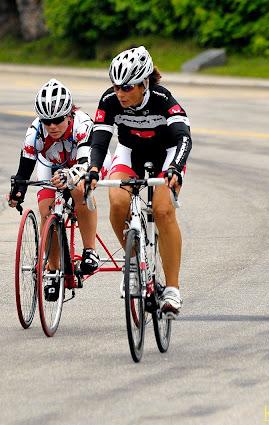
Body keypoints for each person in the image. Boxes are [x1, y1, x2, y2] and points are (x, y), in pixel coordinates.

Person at [85, 46, 192, 317]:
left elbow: (184, 138)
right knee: (117, 201)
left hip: (166, 157)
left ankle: (172, 290)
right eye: (116, 86)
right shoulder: (109, 100)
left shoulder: (163, 99)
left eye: (127, 87)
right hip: (131, 152)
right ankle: (133, 265)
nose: (120, 93)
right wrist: (94, 169)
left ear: (144, 83)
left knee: (163, 210)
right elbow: (99, 139)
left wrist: (176, 169)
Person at [8, 78, 111, 283]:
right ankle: (53, 268)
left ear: (70, 113)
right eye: (47, 121)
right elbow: (24, 171)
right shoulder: (35, 132)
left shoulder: (83, 124)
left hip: (86, 162)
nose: (52, 126)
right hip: (52, 164)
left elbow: (84, 163)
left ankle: (90, 251)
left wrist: (70, 176)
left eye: (58, 120)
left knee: (79, 189)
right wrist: (17, 192)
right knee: (45, 208)